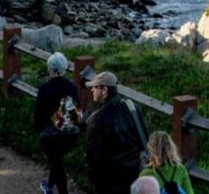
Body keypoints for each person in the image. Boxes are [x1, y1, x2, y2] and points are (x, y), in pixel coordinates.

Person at [83, 71, 147, 194]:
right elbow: (143, 138)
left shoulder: (96, 118)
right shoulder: (131, 107)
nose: (92, 90)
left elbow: (93, 155)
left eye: (95, 87)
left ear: (104, 90)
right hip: (133, 174)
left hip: (109, 180)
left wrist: (93, 178)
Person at [33, 53, 81, 194]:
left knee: (58, 162)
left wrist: (38, 129)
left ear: (51, 69)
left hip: (50, 135)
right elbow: (77, 108)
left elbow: (38, 114)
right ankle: (49, 185)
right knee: (58, 160)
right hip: (71, 134)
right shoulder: (71, 86)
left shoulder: (44, 88)